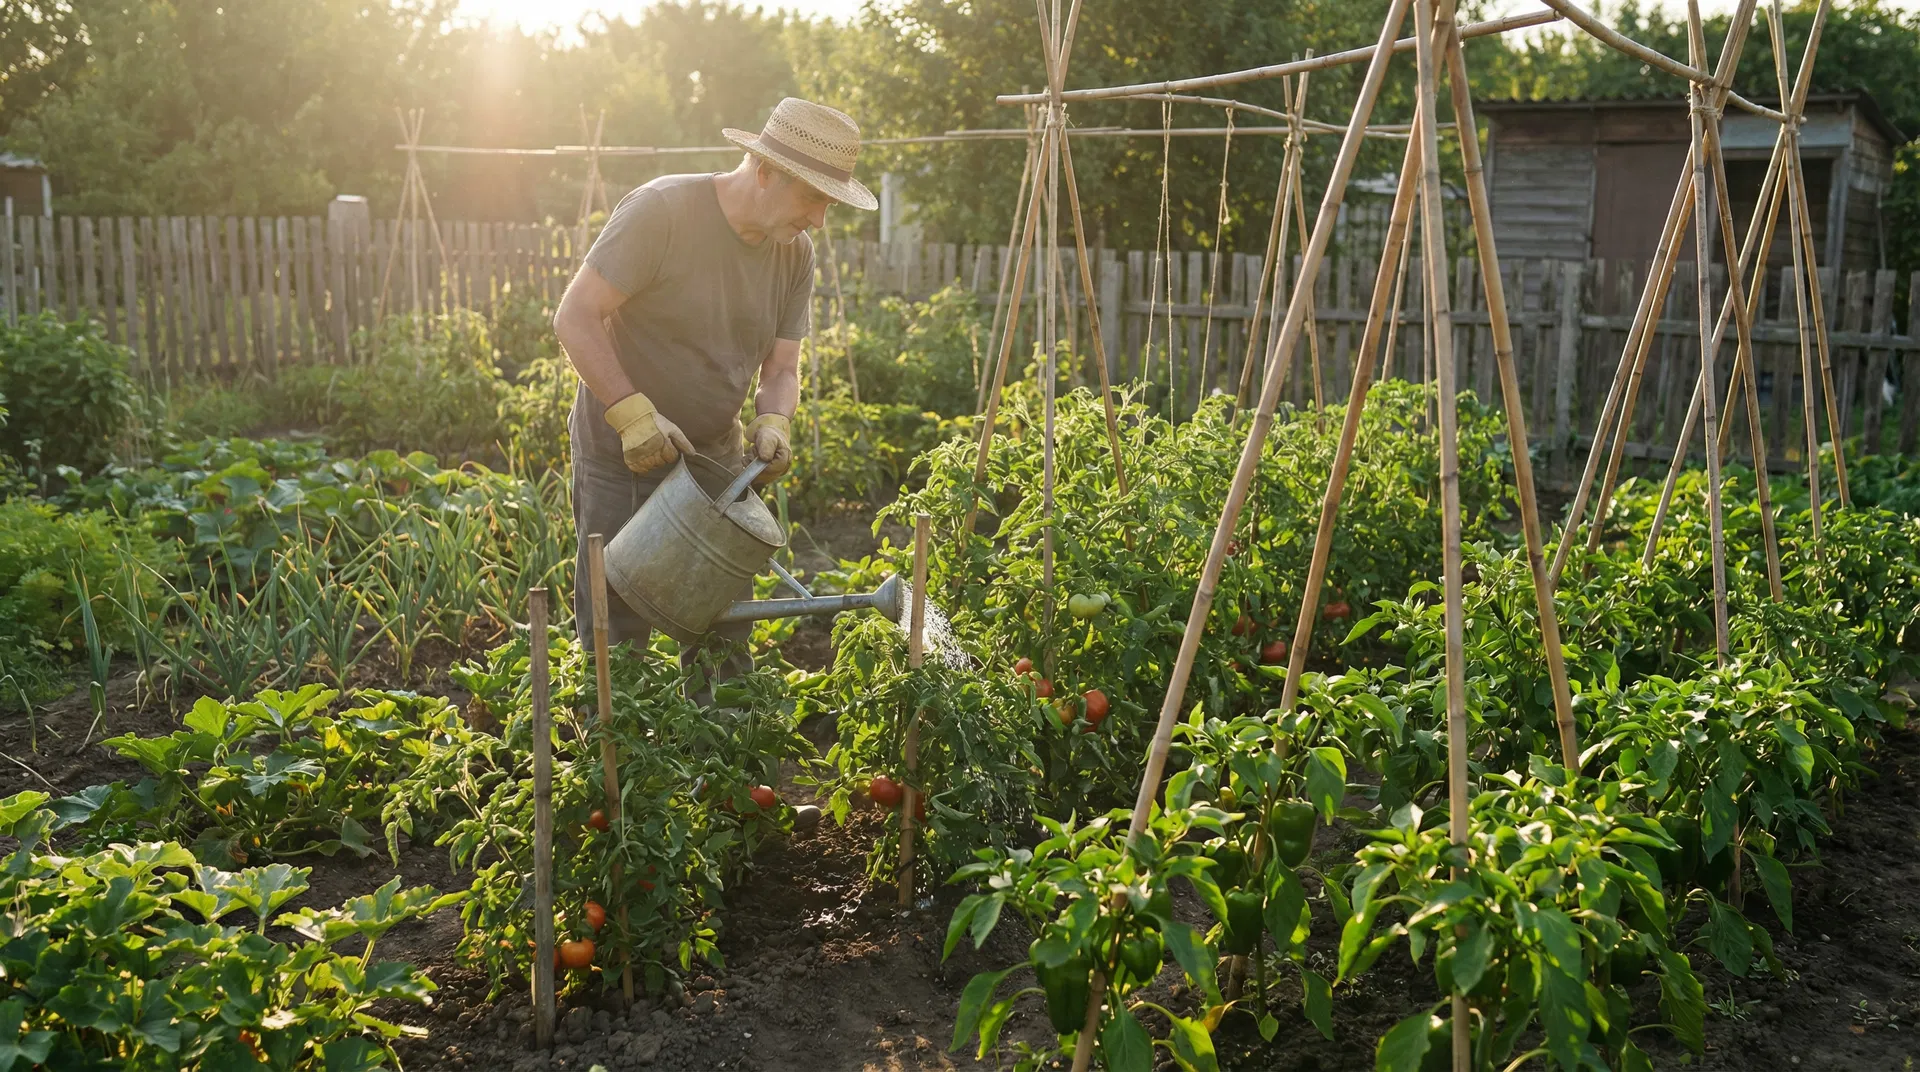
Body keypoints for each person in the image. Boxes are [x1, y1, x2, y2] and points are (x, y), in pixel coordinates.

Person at [553, 97, 877, 658]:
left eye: (829, 204)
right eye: (812, 198)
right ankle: (615, 746)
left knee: (722, 634)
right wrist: (633, 415)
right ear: (765, 170)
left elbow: (781, 366)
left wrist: (775, 419)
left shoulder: (794, 253)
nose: (819, 219)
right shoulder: (663, 212)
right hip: (622, 454)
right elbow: (575, 317)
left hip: (715, 468)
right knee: (614, 634)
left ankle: (720, 745)